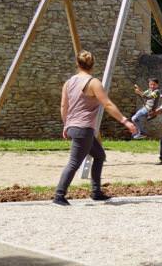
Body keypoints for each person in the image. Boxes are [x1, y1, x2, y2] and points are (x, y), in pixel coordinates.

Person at [54, 50, 138, 206]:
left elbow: (63, 105)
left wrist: (66, 125)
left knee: (99, 155)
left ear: (77, 63)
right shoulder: (93, 83)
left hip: (74, 127)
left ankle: (96, 192)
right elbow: (107, 104)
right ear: (92, 65)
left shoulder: (69, 82)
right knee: (74, 162)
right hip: (83, 128)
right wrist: (125, 121)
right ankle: (59, 195)